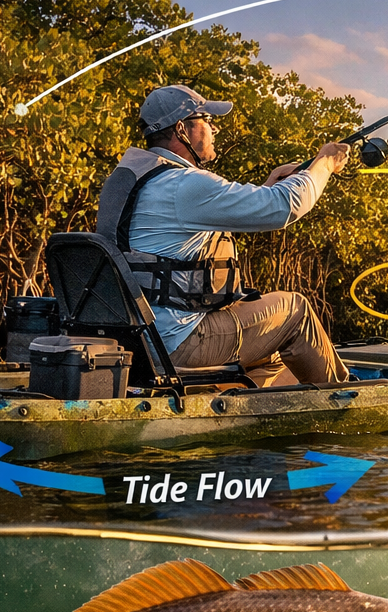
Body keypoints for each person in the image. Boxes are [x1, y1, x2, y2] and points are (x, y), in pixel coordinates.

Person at [95, 84, 352, 386]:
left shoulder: (134, 180)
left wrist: (268, 187)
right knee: (294, 310)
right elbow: (285, 207)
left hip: (136, 341)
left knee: (270, 349)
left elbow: (183, 237)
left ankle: (245, 408)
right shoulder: (184, 184)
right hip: (177, 343)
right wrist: (324, 164)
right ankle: (347, 401)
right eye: (206, 119)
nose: (214, 128)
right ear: (181, 129)